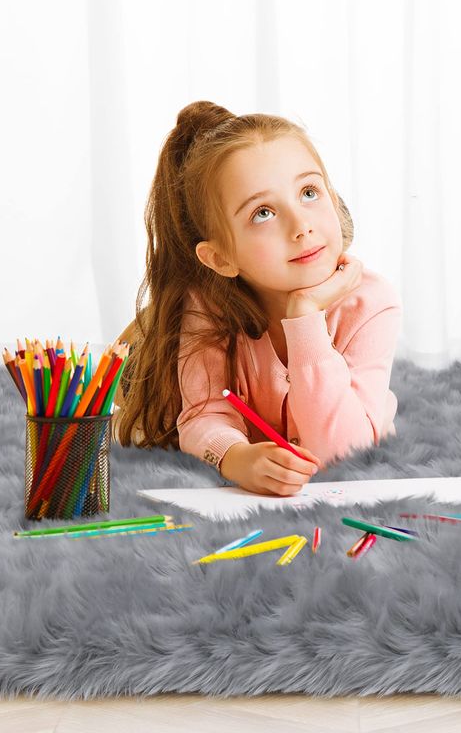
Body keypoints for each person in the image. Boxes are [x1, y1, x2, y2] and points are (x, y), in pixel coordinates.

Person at [112, 100, 402, 497]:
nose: (301, 225)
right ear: (220, 258)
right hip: (173, 345)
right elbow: (203, 414)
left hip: (352, 433)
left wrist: (305, 318)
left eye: (309, 192)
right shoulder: (208, 309)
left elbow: (341, 453)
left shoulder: (371, 303)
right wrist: (236, 457)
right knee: (142, 386)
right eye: (263, 213)